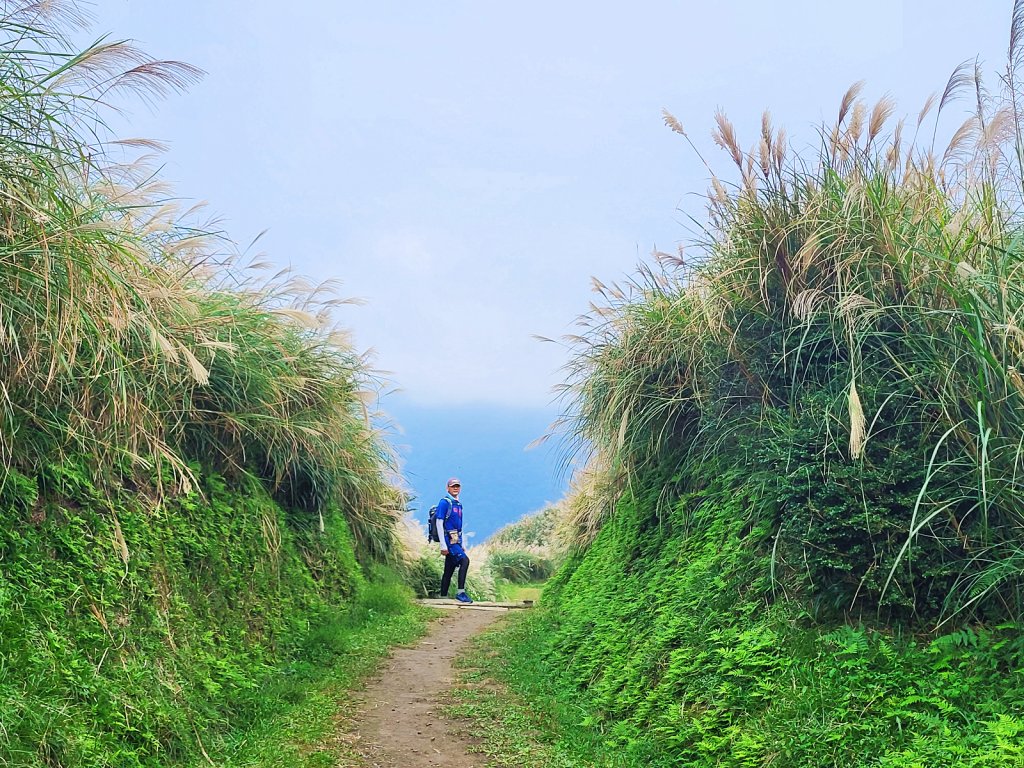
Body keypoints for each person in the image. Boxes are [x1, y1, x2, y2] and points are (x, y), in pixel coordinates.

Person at [434, 477, 473, 603]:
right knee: (465, 560)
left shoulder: (458, 504)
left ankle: (443, 596)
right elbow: (439, 522)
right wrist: (443, 545)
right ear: (448, 488)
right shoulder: (444, 502)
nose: (455, 488)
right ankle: (461, 593)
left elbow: (459, 526)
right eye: (453, 486)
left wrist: (462, 543)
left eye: (457, 486)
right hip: (448, 540)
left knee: (449, 569)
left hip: (455, 540)